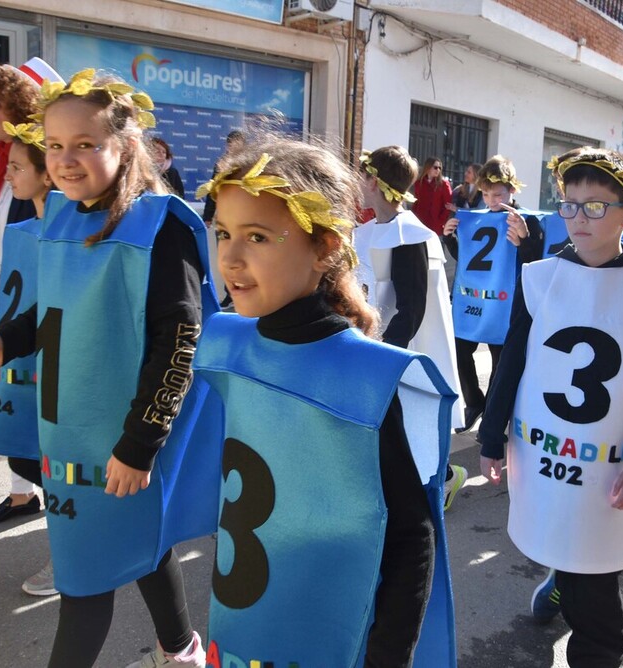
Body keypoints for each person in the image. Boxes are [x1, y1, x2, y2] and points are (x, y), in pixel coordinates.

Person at [0, 68, 221, 668]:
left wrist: (140, 443)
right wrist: (3, 341)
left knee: (83, 582)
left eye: (84, 144)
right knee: (138, 547)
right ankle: (181, 650)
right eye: (53, 146)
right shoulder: (57, 219)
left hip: (120, 438)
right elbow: (50, 316)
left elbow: (178, 344)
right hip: (66, 431)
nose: (65, 160)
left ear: (123, 147)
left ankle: (179, 650)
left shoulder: (160, 225)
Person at [193, 137, 457, 667]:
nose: (229, 257)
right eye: (223, 233)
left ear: (325, 248)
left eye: (258, 237)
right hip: (242, 621)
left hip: (332, 639)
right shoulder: (223, 343)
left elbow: (411, 536)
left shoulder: (370, 379)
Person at [479, 148, 623, 667]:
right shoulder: (540, 276)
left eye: (595, 206)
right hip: (543, 447)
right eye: (569, 205)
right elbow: (512, 362)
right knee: (560, 540)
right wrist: (490, 436)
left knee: (596, 573)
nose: (578, 218)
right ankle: (562, 582)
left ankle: (590, 635)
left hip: (611, 459)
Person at [354, 145, 468, 510]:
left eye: (362, 175)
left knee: (415, 416)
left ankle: (446, 479)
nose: (358, 181)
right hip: (376, 339)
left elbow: (413, 305)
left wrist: (385, 352)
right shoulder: (368, 230)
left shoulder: (410, 234)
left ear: (374, 181)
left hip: (406, 345)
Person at [0, 57, 62, 526]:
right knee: (15, 405)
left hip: (33, 313)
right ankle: (21, 494)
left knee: (34, 408)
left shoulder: (40, 168)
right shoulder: (5, 165)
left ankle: (54, 513)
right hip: (10, 307)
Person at [0, 121, 57, 595]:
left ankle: (69, 551)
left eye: (16, 166)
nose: (8, 175)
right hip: (22, 360)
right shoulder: (21, 230)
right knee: (25, 453)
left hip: (56, 368)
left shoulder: (71, 235)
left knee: (54, 463)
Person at [442, 155, 542, 432]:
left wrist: (524, 241)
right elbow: (465, 257)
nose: (491, 200)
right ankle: (474, 402)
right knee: (460, 350)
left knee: (501, 361)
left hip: (508, 304)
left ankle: (493, 416)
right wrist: (449, 236)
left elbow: (537, 261)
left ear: (512, 190)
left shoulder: (528, 220)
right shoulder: (475, 217)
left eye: (498, 194)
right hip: (475, 297)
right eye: (485, 193)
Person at [201, 129, 245, 226]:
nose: (233, 147)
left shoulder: (249, 165)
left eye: (237, 144)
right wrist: (208, 216)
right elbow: (213, 190)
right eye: (230, 144)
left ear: (243, 146)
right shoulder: (221, 165)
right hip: (224, 211)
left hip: (244, 212)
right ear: (227, 146)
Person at [412, 156, 453, 236]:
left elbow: (448, 205)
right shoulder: (419, 183)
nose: (438, 170)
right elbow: (416, 201)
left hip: (435, 223)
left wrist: (440, 221)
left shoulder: (444, 184)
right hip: (420, 220)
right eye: (435, 167)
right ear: (428, 168)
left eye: (439, 168)